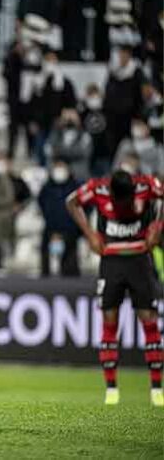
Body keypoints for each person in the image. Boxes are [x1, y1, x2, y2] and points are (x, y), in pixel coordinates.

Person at [66, 170, 163, 407]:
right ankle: (111, 390)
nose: (123, 205)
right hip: (111, 260)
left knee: (149, 321)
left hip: (140, 257)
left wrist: (158, 226)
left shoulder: (146, 185)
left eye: (128, 200)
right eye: (119, 201)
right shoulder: (98, 188)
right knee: (110, 322)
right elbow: (71, 201)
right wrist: (89, 234)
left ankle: (157, 390)